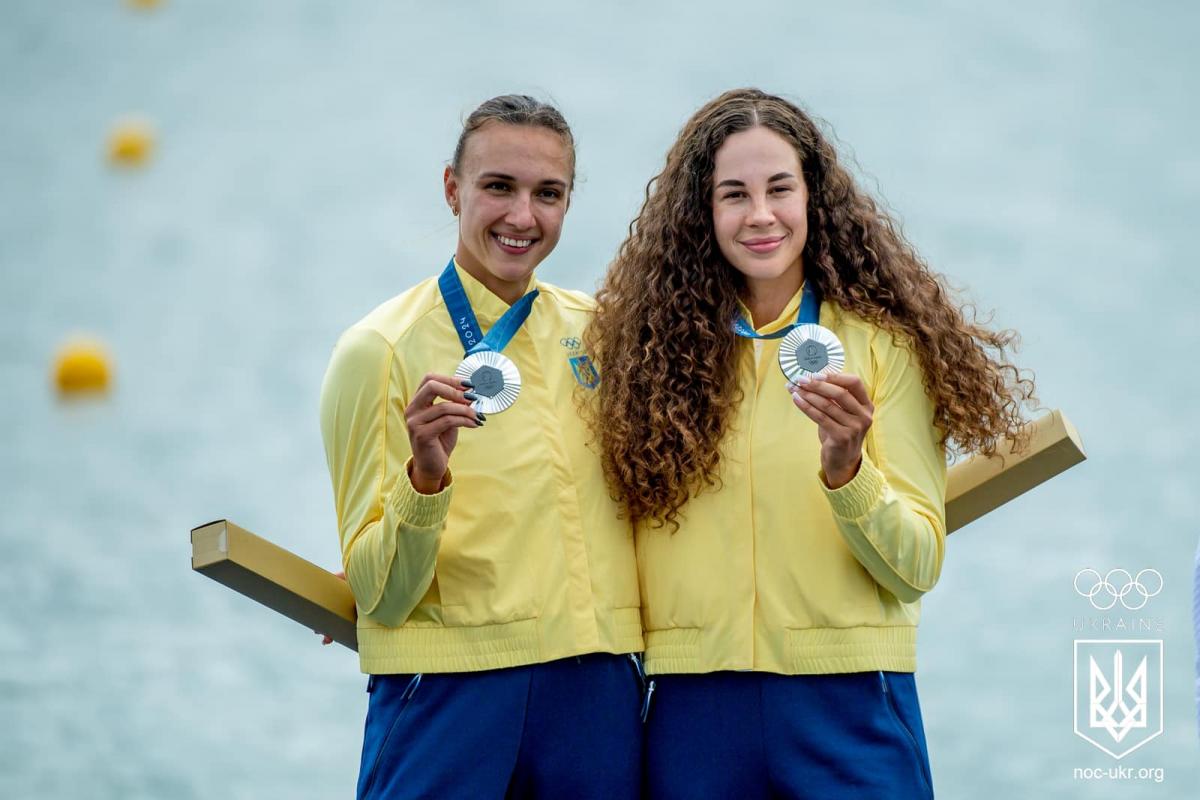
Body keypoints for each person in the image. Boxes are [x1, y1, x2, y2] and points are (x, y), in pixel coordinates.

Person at [583, 88, 1036, 798]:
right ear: (701, 213)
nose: (760, 215)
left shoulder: (884, 348)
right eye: (734, 194)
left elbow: (915, 565)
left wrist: (849, 469)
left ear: (812, 198)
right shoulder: (647, 355)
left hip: (850, 705)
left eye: (779, 189)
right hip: (694, 712)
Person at [319, 95, 643, 799]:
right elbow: (381, 593)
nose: (522, 216)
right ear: (452, 188)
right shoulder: (376, 351)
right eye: (499, 186)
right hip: (445, 694)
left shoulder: (603, 333)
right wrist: (424, 482)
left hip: (597, 693)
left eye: (547, 194)